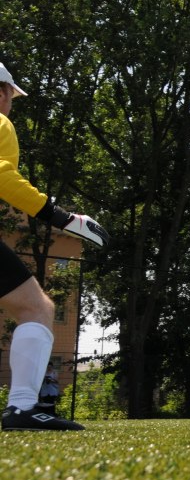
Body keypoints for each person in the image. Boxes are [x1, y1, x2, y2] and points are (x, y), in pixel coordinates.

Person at [0, 62, 109, 431]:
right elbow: (2, 175)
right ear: (1, 92)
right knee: (36, 308)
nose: (11, 105)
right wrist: (63, 218)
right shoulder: (0, 123)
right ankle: (22, 408)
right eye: (11, 97)